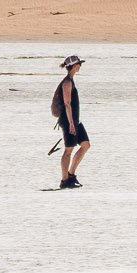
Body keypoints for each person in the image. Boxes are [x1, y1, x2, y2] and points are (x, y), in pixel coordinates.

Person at [53, 55, 89, 188]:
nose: (80, 66)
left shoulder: (71, 80)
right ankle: (64, 180)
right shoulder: (67, 82)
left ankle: (71, 175)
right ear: (74, 66)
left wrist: (75, 122)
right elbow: (67, 104)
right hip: (68, 121)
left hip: (75, 120)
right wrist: (71, 124)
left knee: (85, 145)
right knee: (68, 150)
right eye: (79, 64)